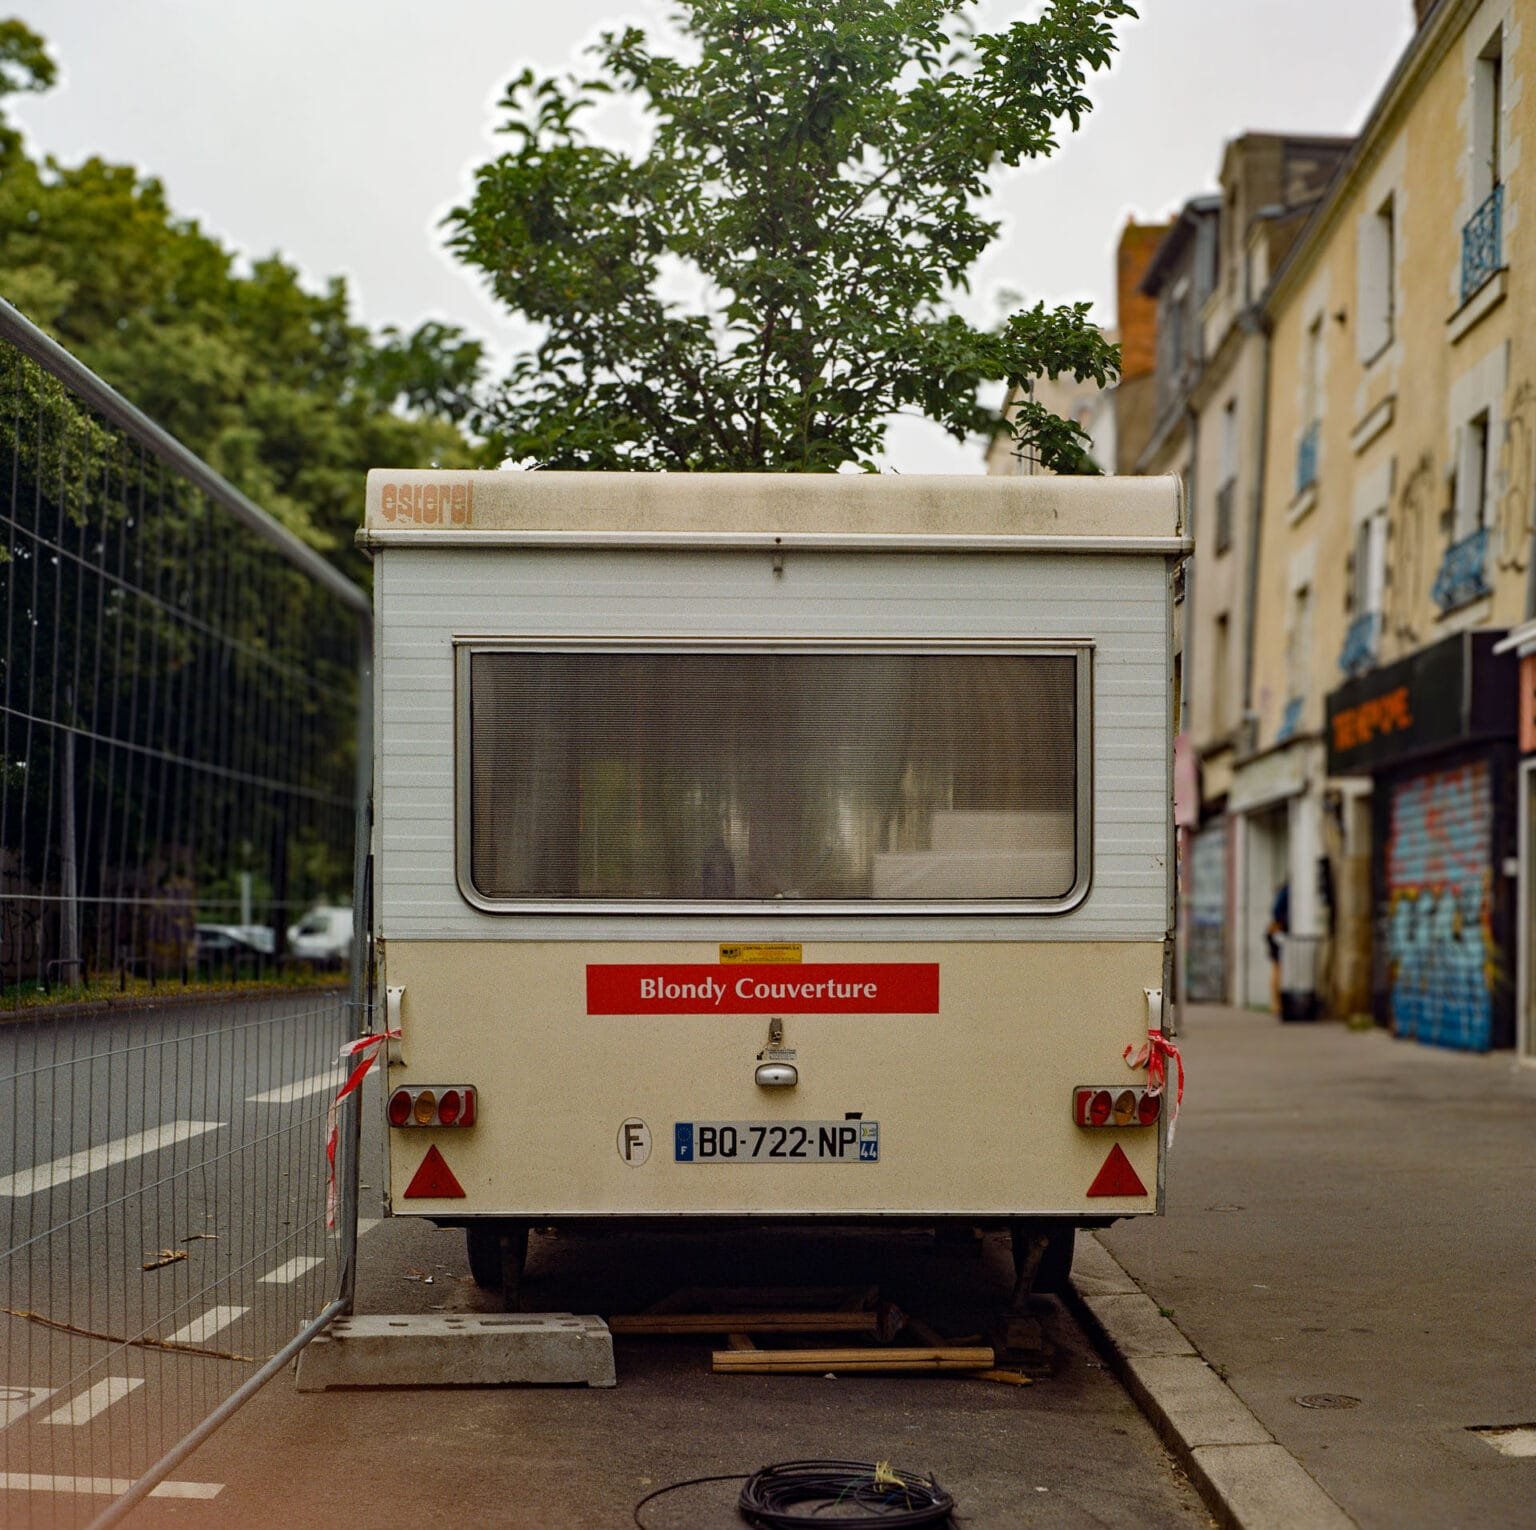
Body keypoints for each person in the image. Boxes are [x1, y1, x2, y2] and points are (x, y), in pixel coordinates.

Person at [1266, 880, 1290, 1014]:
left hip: (1277, 932)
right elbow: (1276, 914)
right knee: (1278, 967)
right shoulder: (1287, 892)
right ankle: (1276, 1003)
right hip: (1279, 933)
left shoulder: (1284, 892)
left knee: (1277, 967)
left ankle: (1276, 1003)